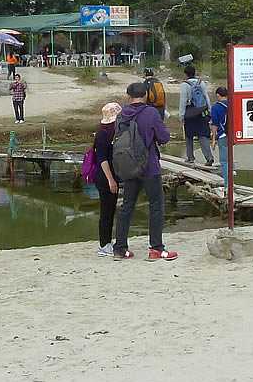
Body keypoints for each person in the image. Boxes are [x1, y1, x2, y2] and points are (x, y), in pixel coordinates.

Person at [111, 81, 176, 260]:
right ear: (146, 95)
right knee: (156, 205)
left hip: (128, 166)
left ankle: (120, 248)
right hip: (149, 166)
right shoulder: (150, 113)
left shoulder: (121, 114)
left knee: (127, 206)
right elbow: (164, 138)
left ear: (128, 96)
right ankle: (156, 248)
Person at [92, 102, 121, 256]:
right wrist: (111, 179)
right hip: (104, 177)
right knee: (106, 211)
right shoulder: (103, 134)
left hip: (111, 176)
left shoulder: (113, 134)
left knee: (110, 210)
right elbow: (102, 158)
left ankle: (108, 241)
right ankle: (104, 244)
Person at [180, 64, 214, 166]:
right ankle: (209, 158)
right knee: (202, 135)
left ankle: (190, 157)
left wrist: (181, 115)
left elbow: (183, 101)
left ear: (186, 74)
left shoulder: (185, 85)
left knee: (189, 136)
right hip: (201, 112)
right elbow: (206, 98)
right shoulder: (201, 83)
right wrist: (209, 111)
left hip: (190, 112)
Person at [210, 86, 230, 181]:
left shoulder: (216, 107)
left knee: (224, 161)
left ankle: (227, 184)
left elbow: (215, 124)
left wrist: (213, 139)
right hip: (233, 135)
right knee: (230, 156)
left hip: (223, 135)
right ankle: (232, 171)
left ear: (218, 95)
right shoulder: (233, 104)